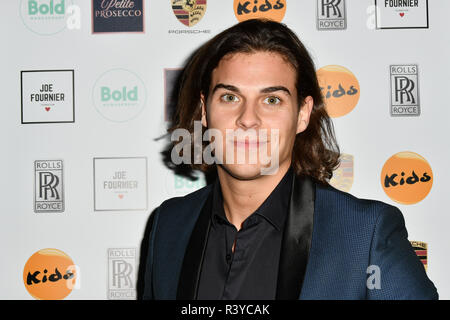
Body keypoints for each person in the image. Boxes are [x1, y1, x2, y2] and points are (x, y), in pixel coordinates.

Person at [141, 19, 438, 300]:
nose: (248, 119)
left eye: (272, 100)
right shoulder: (169, 226)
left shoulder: (364, 234)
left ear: (302, 114)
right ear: (205, 111)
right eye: (230, 97)